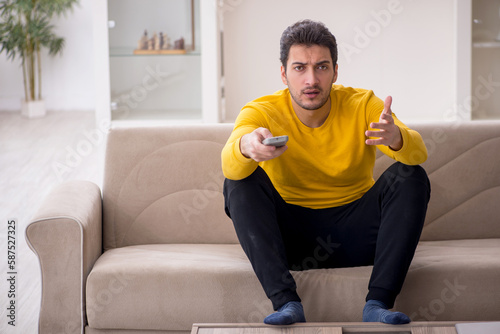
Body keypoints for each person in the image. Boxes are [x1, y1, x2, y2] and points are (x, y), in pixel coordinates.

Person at [221, 19, 430, 326]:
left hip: (358, 234)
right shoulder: (260, 110)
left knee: (411, 176)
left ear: (335, 71)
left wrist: (396, 137)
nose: (311, 79)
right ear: (283, 73)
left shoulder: (363, 104)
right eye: (299, 68)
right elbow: (228, 163)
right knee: (238, 181)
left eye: (321, 67)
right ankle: (286, 303)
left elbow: (419, 153)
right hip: (290, 239)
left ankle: (378, 303)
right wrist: (247, 146)